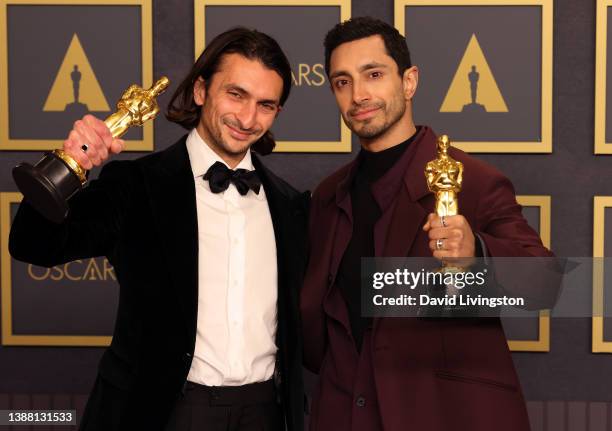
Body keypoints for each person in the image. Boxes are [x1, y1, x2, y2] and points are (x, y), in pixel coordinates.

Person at [10, 27, 308, 431]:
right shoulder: (136, 185)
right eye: (235, 94)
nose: (248, 118)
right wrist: (69, 164)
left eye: (266, 105)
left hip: (264, 414)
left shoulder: (290, 205)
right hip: (162, 411)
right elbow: (34, 246)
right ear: (201, 90)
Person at [300, 17, 556, 431]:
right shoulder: (328, 196)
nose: (359, 95)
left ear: (409, 81)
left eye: (374, 74)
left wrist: (477, 253)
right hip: (342, 414)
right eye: (342, 82)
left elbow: (546, 284)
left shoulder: (471, 180)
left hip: (444, 415)